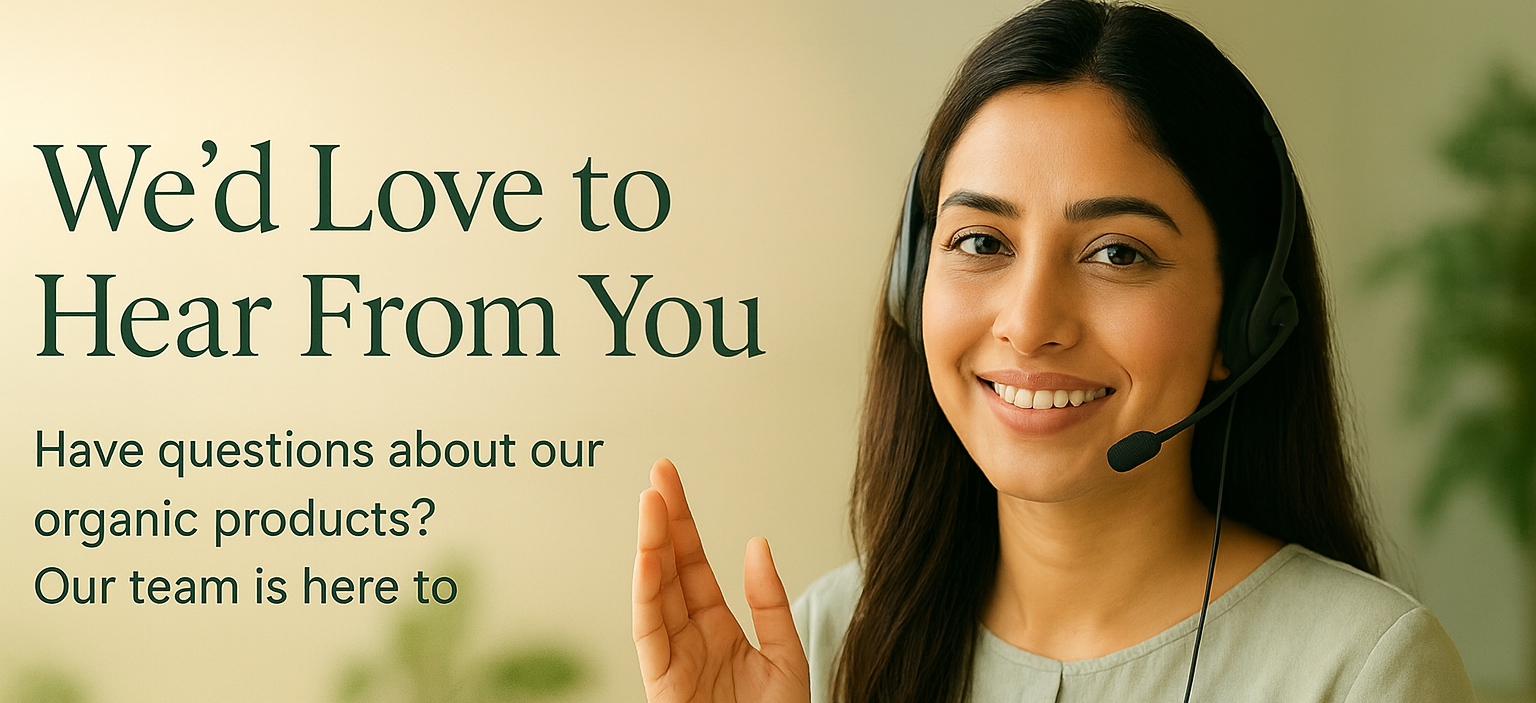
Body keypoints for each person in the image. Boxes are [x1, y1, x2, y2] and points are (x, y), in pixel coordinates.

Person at [632, 1, 1477, 701]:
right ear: (911, 285)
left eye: (1118, 253)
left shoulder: (1365, 669)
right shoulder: (825, 644)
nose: (1030, 322)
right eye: (980, 242)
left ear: (1247, 317)